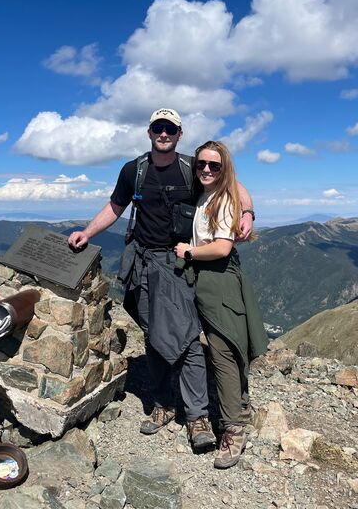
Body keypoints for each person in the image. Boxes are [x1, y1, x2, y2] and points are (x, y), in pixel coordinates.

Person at [68, 108, 255, 452]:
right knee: (153, 335)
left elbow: (234, 186)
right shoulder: (134, 170)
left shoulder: (192, 168)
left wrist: (247, 212)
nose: (164, 133)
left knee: (184, 338)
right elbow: (115, 206)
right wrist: (87, 232)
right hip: (140, 261)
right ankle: (163, 404)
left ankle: (197, 415)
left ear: (179, 134)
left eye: (170, 128)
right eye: (159, 127)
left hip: (175, 262)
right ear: (149, 131)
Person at [174, 140, 268, 469]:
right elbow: (240, 187)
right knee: (216, 348)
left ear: (223, 167)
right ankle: (231, 414)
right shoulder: (207, 192)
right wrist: (249, 210)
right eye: (202, 164)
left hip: (218, 277)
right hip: (202, 278)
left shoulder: (223, 197)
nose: (207, 170)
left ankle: (235, 428)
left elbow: (222, 248)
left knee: (223, 351)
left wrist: (187, 251)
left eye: (215, 165)